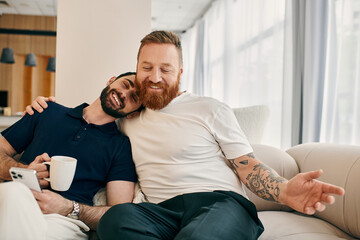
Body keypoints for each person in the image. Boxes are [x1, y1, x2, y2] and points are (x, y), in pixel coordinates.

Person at [29, 31, 345, 240]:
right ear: (136, 70)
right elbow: (89, 118)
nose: (155, 77)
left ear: (180, 72)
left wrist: (285, 190)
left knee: (202, 235)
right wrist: (47, 108)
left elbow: (247, 165)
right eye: (147, 67)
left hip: (218, 204)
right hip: (157, 213)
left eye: (165, 69)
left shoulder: (210, 109)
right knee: (115, 220)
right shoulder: (127, 119)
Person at [0, 72, 142, 240]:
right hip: (16, 200)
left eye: (134, 97)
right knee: (14, 191)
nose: (124, 94)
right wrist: (24, 170)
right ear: (111, 81)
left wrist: (69, 207)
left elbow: (118, 213)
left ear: (132, 114)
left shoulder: (120, 146)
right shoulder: (46, 110)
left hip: (63, 222)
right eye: (125, 85)